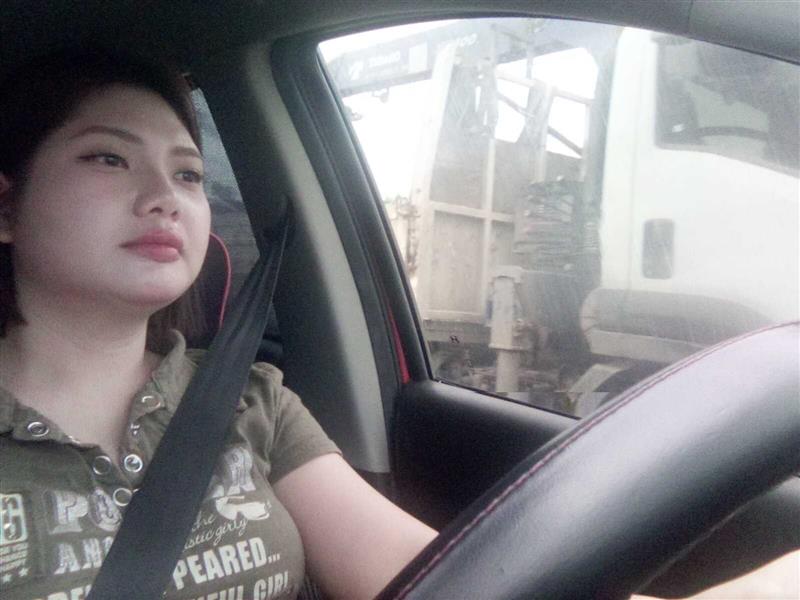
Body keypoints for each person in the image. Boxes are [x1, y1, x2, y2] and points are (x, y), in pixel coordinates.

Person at [0, 48, 436, 600]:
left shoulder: (251, 401)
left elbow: (432, 574)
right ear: (7, 209)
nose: (166, 198)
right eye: (109, 158)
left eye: (188, 174)